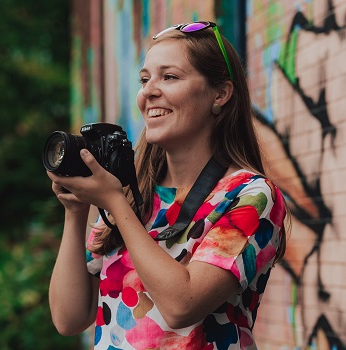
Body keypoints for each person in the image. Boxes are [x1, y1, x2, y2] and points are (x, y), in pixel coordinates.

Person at [46, 21, 288, 349]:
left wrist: (115, 204)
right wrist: (75, 212)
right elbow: (69, 318)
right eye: (144, 79)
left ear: (221, 93)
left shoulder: (250, 196)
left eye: (169, 76)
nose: (149, 91)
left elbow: (182, 305)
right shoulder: (136, 193)